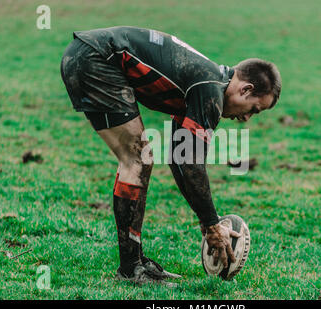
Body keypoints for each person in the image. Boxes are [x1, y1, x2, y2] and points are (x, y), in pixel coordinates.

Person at [60, 26, 281, 285]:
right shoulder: (210, 91)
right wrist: (211, 224)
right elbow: (191, 163)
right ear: (245, 89)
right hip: (96, 58)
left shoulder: (207, 84)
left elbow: (179, 157)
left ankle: (135, 264)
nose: (246, 119)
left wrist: (205, 218)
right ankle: (130, 269)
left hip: (88, 54)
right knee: (138, 159)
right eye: (253, 109)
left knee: (141, 159)